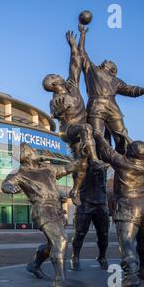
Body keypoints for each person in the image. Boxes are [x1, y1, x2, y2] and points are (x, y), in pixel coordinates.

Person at [78, 24, 144, 155]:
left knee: (122, 140)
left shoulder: (116, 81)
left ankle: (123, 165)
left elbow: (132, 90)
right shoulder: (92, 70)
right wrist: (83, 34)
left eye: (110, 62)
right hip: (96, 107)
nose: (107, 60)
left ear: (113, 70)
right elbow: (82, 54)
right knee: (96, 137)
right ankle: (97, 166)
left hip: (113, 109)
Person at [1, 143, 80, 287]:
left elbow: (66, 169)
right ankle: (59, 281)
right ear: (25, 155)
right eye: (32, 150)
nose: (36, 151)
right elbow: (6, 184)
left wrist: (81, 159)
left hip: (56, 209)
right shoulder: (19, 173)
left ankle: (34, 265)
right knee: (61, 241)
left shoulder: (47, 168)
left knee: (52, 244)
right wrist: (9, 188)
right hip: (42, 209)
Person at [43, 31, 106, 206]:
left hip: (80, 131)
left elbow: (75, 64)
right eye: (55, 76)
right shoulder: (54, 100)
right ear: (54, 84)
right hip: (68, 131)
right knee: (86, 128)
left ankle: (75, 190)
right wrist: (62, 109)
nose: (58, 74)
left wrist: (74, 45)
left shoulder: (72, 86)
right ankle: (95, 161)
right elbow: (56, 115)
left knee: (82, 162)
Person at [94, 134, 144, 287]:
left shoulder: (123, 163)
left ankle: (131, 275)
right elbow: (136, 150)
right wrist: (126, 136)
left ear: (131, 152)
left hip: (129, 205)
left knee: (126, 241)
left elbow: (107, 151)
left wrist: (99, 137)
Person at [70, 166, 110, 271]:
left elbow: (117, 152)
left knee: (104, 234)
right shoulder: (81, 162)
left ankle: (102, 257)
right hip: (84, 202)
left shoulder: (102, 160)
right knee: (79, 234)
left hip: (101, 203)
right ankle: (75, 257)